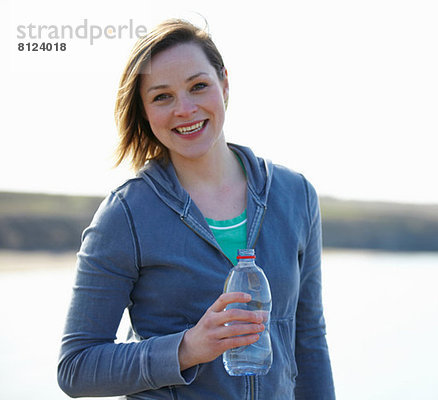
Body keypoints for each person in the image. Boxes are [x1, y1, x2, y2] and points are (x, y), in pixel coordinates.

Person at [57, 18, 335, 399]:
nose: (185, 109)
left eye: (198, 86)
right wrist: (187, 348)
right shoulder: (125, 215)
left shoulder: (295, 194)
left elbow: (309, 340)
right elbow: (77, 368)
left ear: (224, 82)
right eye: (162, 96)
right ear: (144, 109)